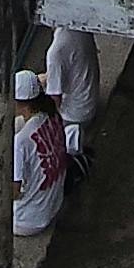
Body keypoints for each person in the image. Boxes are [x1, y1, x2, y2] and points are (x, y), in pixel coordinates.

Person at [8, 65, 66, 268]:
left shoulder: (20, 142)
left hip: (28, 221)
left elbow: (14, 192)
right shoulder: (53, 114)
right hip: (55, 200)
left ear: (22, 104)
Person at [42, 19, 103, 163]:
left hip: (75, 116)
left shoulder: (55, 52)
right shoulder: (78, 25)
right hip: (89, 98)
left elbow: (54, 100)